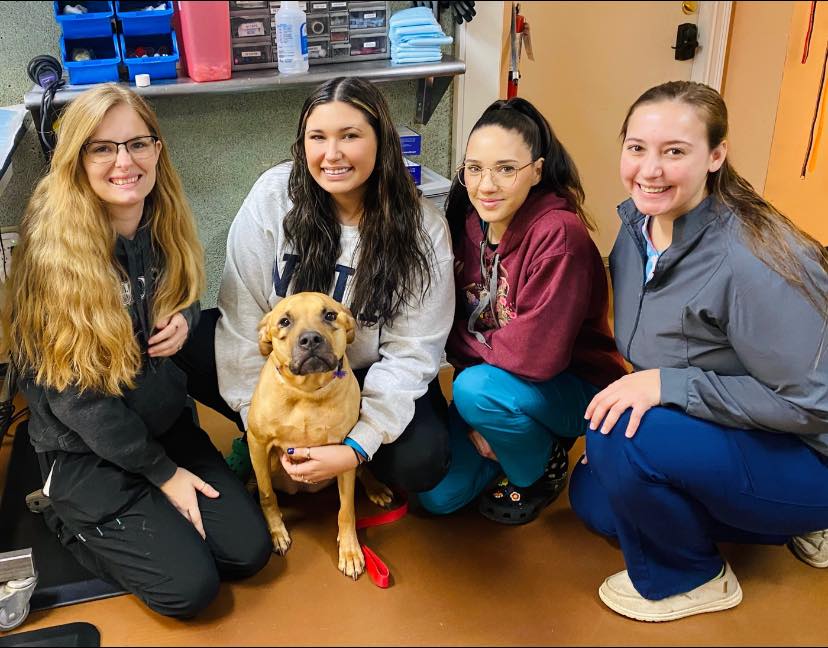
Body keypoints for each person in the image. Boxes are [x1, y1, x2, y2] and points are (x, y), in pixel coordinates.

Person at [5, 84, 271, 619]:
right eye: (102, 147)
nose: (124, 161)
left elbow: (186, 293)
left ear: (156, 148)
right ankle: (64, 512)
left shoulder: (162, 216)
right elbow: (79, 405)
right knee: (189, 590)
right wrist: (164, 475)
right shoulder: (53, 252)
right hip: (85, 449)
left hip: (162, 423)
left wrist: (183, 318)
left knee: (248, 553)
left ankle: (155, 509)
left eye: (137, 143)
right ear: (77, 158)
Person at [569, 80, 828, 622]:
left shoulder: (750, 257)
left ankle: (693, 579)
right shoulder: (637, 231)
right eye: (637, 147)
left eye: (674, 152)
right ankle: (778, 520)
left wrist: (667, 390)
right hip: (741, 429)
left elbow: (815, 402)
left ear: (716, 155)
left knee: (618, 441)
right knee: (595, 496)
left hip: (811, 449)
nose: (649, 169)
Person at [189, 76, 454, 493]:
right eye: (318, 137)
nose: (332, 155)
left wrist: (356, 445)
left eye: (350, 136)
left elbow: (412, 351)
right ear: (302, 144)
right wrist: (259, 420)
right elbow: (244, 316)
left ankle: (352, 457)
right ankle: (252, 447)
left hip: (367, 374)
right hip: (281, 375)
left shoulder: (424, 229)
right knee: (185, 339)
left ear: (381, 142)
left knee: (423, 464)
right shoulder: (274, 196)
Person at [417, 98, 627, 524]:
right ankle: (509, 433)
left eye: (506, 169)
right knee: (437, 497)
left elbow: (537, 355)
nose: (486, 185)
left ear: (536, 170)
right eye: (474, 168)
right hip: (496, 379)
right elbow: (456, 318)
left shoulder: (559, 236)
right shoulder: (468, 223)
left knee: (476, 392)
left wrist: (464, 356)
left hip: (573, 384)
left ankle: (541, 468)